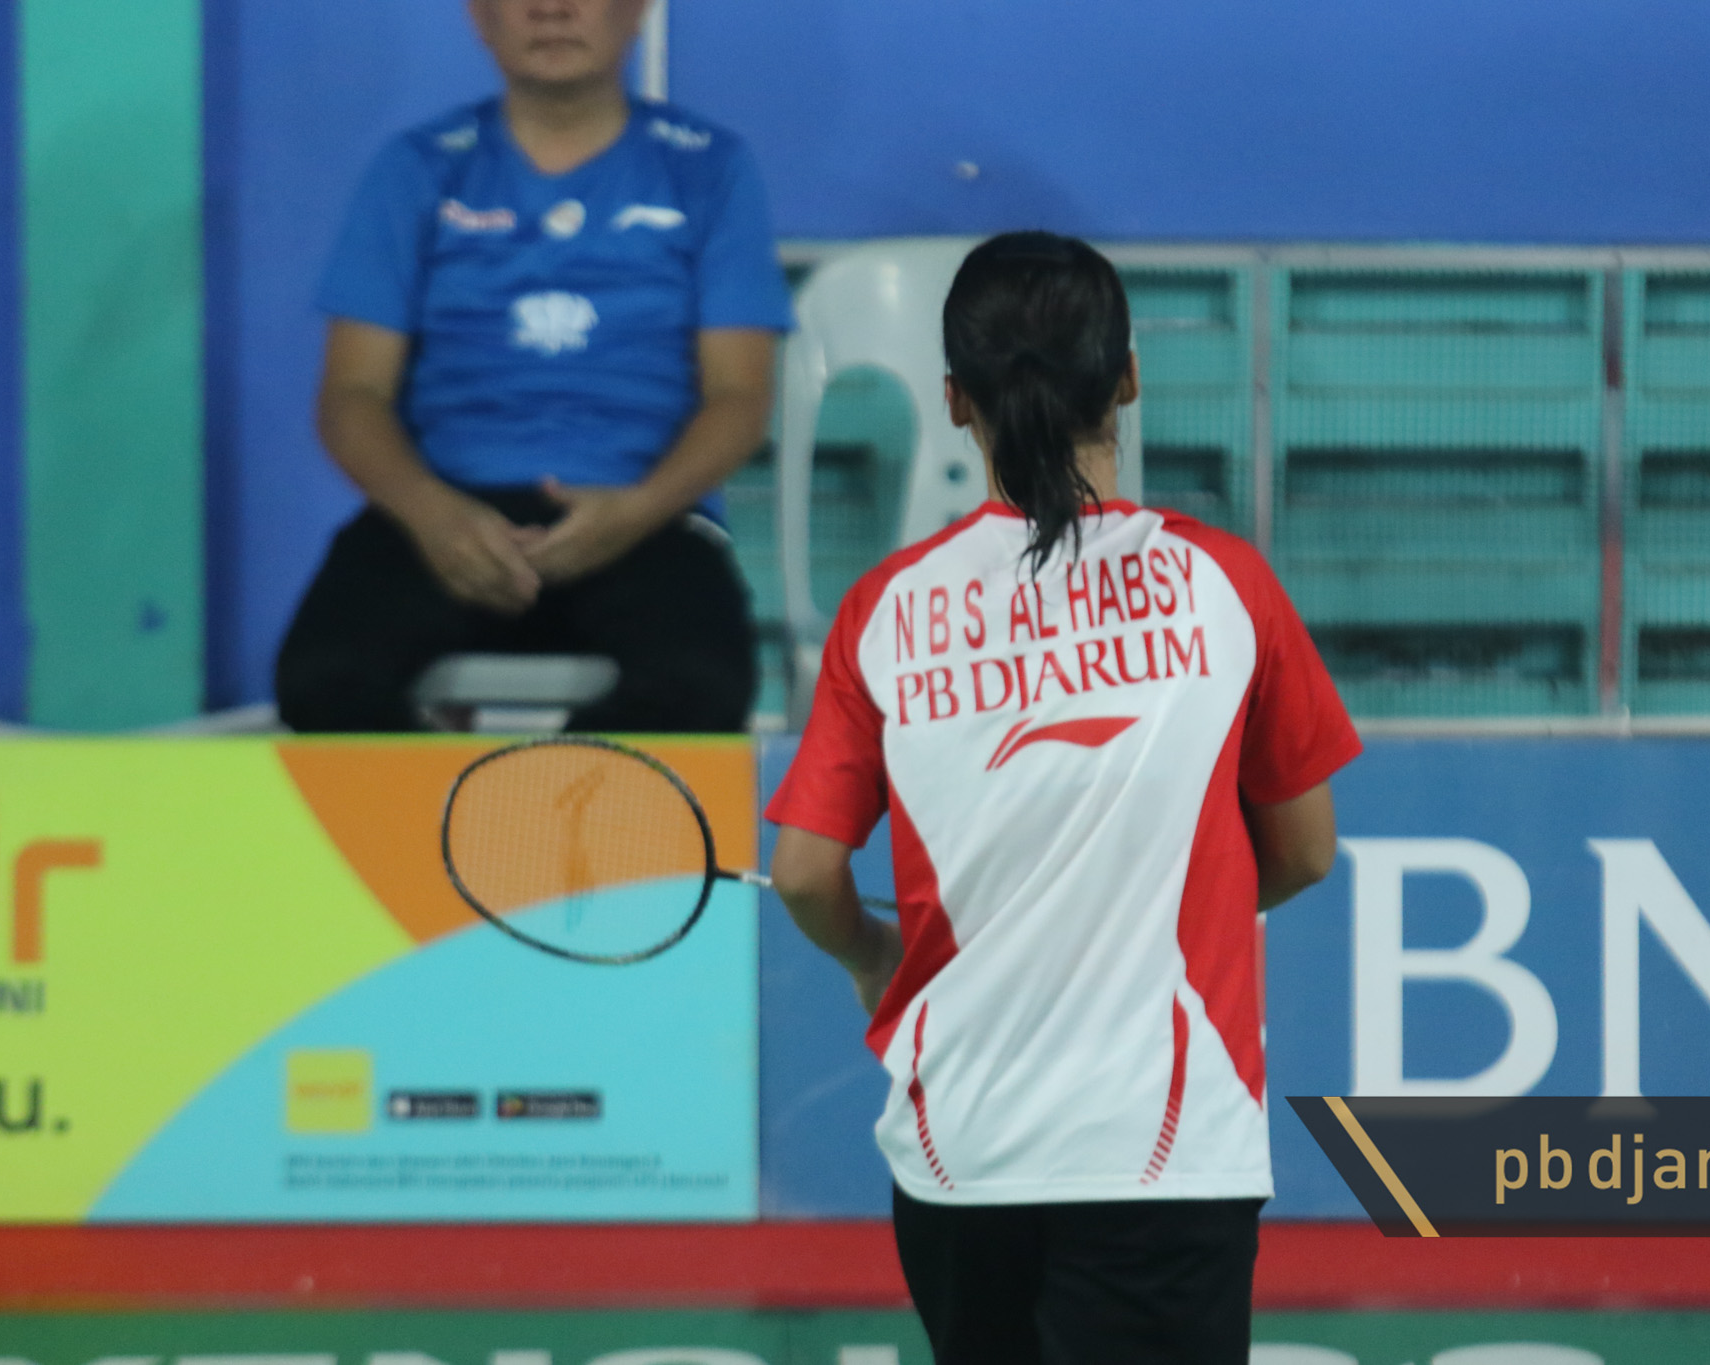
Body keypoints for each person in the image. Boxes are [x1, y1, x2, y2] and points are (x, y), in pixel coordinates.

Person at [765, 232, 1361, 1365]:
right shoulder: (1222, 583)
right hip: (1162, 1148)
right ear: (1126, 378)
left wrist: (871, 956)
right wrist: (1152, 906)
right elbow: (1303, 851)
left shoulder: (886, 609)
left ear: (954, 400)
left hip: (958, 1155)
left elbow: (802, 872)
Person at [276, 0, 792, 733]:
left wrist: (635, 512)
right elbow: (352, 395)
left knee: (699, 684)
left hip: (645, 517)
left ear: (638, 11)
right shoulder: (417, 166)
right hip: (444, 517)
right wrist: (432, 514)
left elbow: (739, 397)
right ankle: (448, 811)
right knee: (322, 678)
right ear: (480, 16)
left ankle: (548, 807)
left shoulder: (710, 168)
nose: (552, 9)